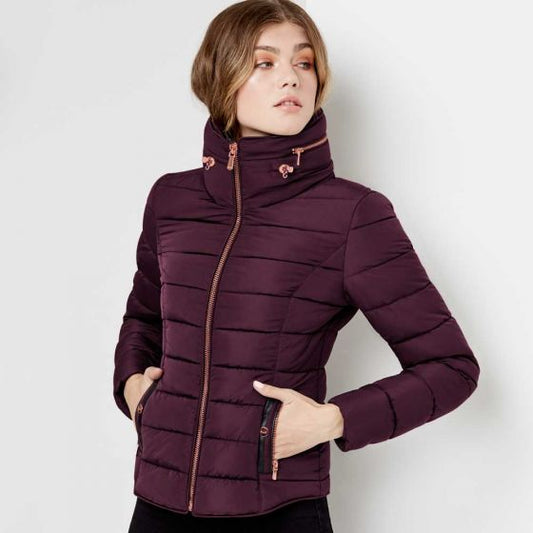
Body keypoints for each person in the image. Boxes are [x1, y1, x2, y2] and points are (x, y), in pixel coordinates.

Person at [113, 1, 480, 532]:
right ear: (220, 77)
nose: (290, 77)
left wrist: (333, 420)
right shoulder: (172, 199)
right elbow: (145, 318)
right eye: (264, 62)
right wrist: (132, 386)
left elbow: (451, 367)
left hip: (278, 509)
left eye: (304, 63)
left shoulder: (353, 214)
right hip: (158, 503)